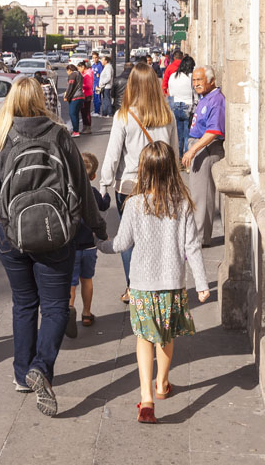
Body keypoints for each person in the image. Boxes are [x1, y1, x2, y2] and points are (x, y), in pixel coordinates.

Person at [0, 77, 107, 417]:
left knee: (23, 303)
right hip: (55, 231)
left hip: (9, 232)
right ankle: (41, 367)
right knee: (55, 307)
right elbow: (81, 184)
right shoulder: (58, 134)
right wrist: (97, 226)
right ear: (40, 99)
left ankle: (22, 374)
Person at [97, 141, 209, 423]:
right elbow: (192, 247)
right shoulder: (182, 204)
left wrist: (100, 244)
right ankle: (162, 384)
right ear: (172, 169)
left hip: (142, 285)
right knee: (165, 336)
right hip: (171, 284)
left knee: (144, 338)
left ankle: (146, 398)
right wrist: (202, 283)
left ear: (143, 170)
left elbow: (121, 244)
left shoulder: (134, 204)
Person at [100, 63, 177, 302]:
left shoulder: (124, 116)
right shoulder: (167, 114)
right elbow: (173, 152)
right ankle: (157, 285)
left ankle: (133, 287)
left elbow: (113, 154)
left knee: (129, 238)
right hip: (161, 184)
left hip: (130, 185)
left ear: (131, 85)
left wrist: (104, 183)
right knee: (159, 235)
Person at [66, 152, 110, 338]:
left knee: (71, 283)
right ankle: (86, 313)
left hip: (71, 246)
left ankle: (69, 309)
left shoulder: (68, 191)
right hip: (90, 247)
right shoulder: (92, 192)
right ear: (93, 176)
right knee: (87, 280)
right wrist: (106, 194)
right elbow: (104, 205)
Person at [182, 66, 225, 246]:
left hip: (206, 148)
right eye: (194, 80)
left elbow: (214, 131)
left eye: (199, 80)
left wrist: (193, 150)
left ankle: (199, 237)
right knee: (198, 194)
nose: (196, 84)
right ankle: (200, 235)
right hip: (199, 145)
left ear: (211, 80)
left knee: (201, 196)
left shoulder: (216, 100)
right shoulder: (205, 97)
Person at [167, 54, 196, 159]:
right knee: (188, 134)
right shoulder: (191, 77)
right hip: (188, 106)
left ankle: (178, 157)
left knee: (178, 135)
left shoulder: (173, 76)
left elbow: (170, 92)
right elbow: (195, 93)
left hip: (175, 106)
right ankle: (187, 158)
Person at [64, 63, 84, 137]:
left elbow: (70, 86)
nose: (67, 73)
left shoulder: (72, 75)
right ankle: (76, 130)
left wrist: (67, 96)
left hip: (75, 97)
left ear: (69, 70)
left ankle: (76, 131)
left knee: (72, 114)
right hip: (81, 96)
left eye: (67, 71)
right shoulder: (79, 74)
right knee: (76, 114)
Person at [80, 61, 94, 132]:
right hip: (84, 94)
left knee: (86, 112)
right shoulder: (84, 73)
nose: (79, 69)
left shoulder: (88, 74)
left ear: (83, 67)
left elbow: (88, 86)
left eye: (79, 68)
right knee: (83, 112)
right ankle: (85, 126)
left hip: (87, 94)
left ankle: (88, 127)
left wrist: (80, 85)